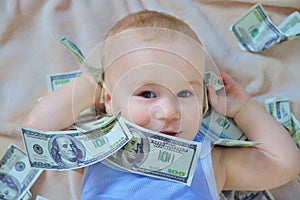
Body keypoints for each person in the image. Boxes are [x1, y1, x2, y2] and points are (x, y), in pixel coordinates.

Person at [22, 10, 300, 199]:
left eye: (184, 94)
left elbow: (285, 164)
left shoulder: (208, 160)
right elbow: (36, 133)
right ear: (108, 99)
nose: (169, 112)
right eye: (147, 94)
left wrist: (244, 109)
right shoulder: (101, 150)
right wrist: (92, 83)